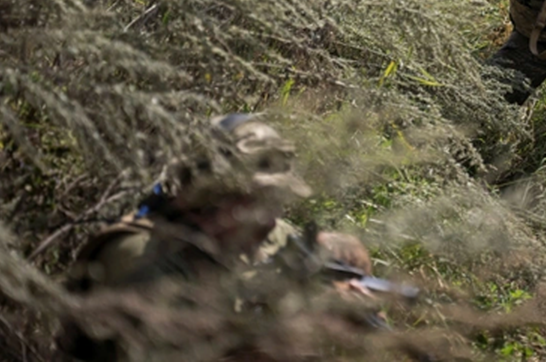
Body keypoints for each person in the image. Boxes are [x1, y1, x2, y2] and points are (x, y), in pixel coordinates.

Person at [55, 114, 373, 361]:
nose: (272, 220)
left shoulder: (267, 235)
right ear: (210, 198)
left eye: (277, 202)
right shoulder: (141, 259)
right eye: (258, 203)